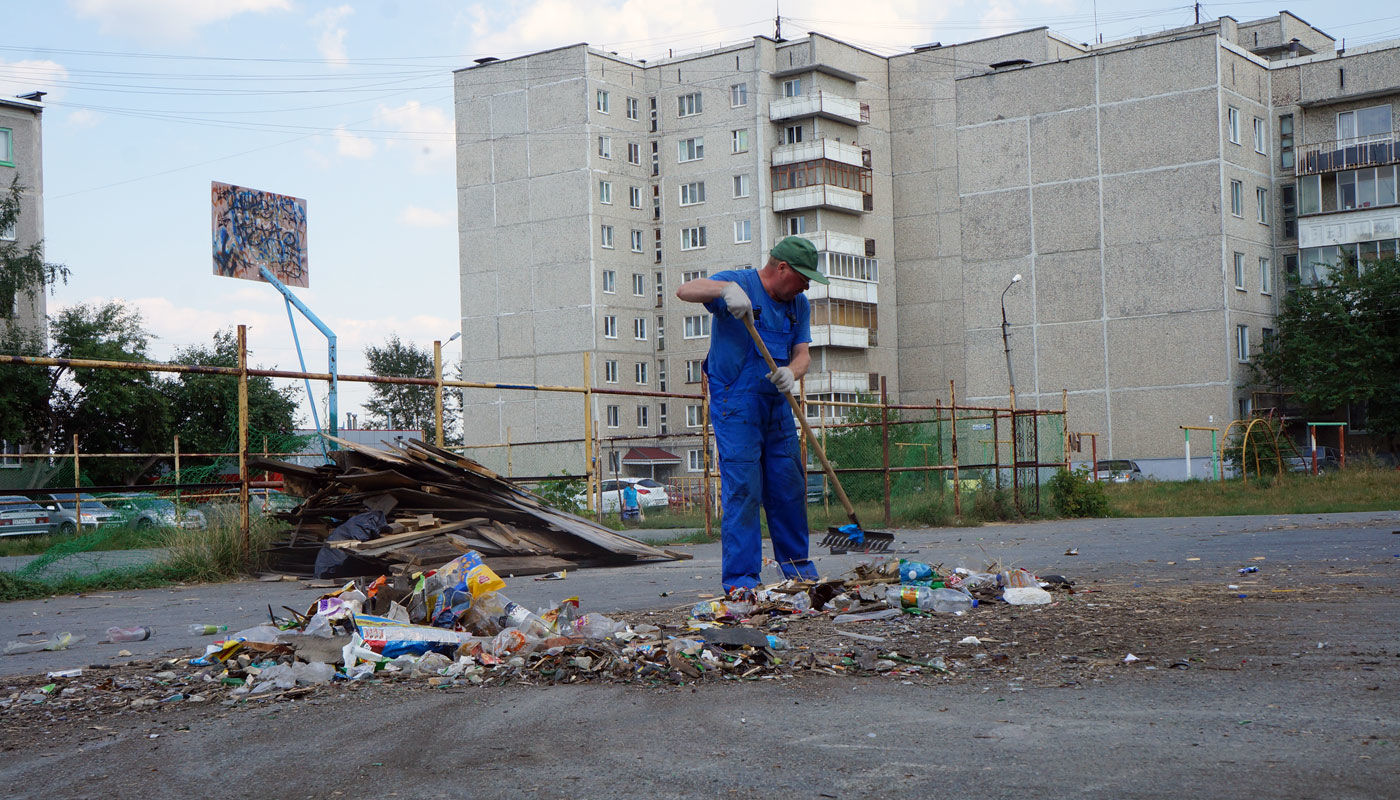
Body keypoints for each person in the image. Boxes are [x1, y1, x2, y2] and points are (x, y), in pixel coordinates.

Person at [675, 236, 830, 594]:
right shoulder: (740, 284)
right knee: (744, 489)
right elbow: (686, 289)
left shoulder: (798, 305)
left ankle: (798, 574)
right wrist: (725, 290)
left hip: (777, 404)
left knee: (788, 487)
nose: (806, 286)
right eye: (803, 278)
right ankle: (742, 582)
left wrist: (792, 372)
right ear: (782, 268)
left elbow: (803, 354)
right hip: (736, 405)